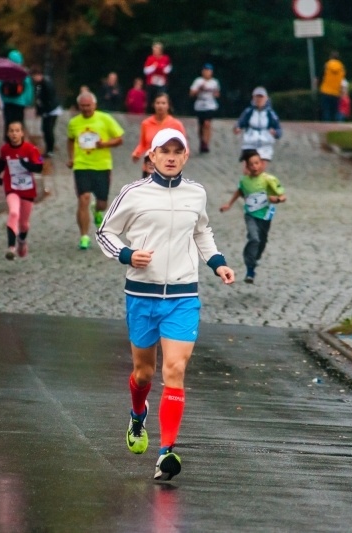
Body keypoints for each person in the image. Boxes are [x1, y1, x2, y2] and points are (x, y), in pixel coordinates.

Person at [95, 128, 235, 482]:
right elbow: (105, 233)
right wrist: (127, 254)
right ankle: (137, 414)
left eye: (177, 151)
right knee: (144, 373)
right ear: (152, 156)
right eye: (164, 151)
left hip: (183, 296)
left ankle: (166, 452)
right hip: (142, 295)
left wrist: (217, 262)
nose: (171, 157)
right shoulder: (133, 193)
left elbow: (201, 231)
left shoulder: (196, 193)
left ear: (186, 156)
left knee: (175, 369)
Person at [66, 91, 124, 250]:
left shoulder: (105, 119)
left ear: (95, 105)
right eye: (82, 106)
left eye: (88, 106)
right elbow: (70, 140)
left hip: (102, 166)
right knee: (83, 198)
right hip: (82, 165)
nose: (86, 109)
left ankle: (97, 209)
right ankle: (84, 236)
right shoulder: (73, 123)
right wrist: (71, 158)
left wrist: (104, 144)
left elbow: (119, 139)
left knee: (102, 203)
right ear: (79, 106)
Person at [219, 149, 286, 283]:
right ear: (247, 166)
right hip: (250, 215)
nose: (255, 167)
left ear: (261, 163)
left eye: (257, 163)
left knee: (261, 242)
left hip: (265, 216)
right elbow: (239, 191)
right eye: (251, 164)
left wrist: (277, 199)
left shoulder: (269, 180)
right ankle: (250, 268)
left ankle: (254, 258)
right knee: (254, 238)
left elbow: (283, 196)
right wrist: (229, 204)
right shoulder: (245, 181)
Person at [0, 120, 44, 260]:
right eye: (11, 131)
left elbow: (39, 167)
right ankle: (11, 248)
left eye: (17, 131)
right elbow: (2, 163)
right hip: (12, 187)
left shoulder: (30, 149)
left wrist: (26, 164)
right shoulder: (5, 149)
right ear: (8, 134)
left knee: (24, 225)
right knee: (14, 212)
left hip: (27, 189)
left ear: (22, 133)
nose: (14, 134)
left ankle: (21, 241)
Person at [131, 93, 186, 178]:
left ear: (168, 105)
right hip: (150, 165)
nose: (160, 106)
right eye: (158, 103)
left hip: (168, 165)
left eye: (163, 103)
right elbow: (143, 143)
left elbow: (184, 147)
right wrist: (136, 153)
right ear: (153, 105)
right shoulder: (146, 123)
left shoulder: (176, 124)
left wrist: (181, 160)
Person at [233, 87, 282, 162]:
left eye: (261, 97)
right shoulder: (248, 111)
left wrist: (276, 133)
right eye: (257, 97)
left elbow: (278, 128)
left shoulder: (271, 113)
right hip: (250, 142)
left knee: (261, 165)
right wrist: (237, 128)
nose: (259, 99)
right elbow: (240, 123)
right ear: (253, 98)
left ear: (266, 98)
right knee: (249, 165)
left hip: (265, 143)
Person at [0, 50, 33, 141]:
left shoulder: (5, 71)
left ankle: (8, 140)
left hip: (6, 101)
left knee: (8, 121)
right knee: (18, 122)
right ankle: (18, 140)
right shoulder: (23, 72)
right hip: (20, 102)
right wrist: (28, 101)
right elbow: (28, 87)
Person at [189, 63, 220, 153]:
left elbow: (217, 94)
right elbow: (191, 93)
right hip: (200, 105)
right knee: (201, 125)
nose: (207, 72)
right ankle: (202, 141)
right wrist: (199, 89)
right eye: (205, 70)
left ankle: (206, 143)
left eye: (209, 71)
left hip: (210, 105)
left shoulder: (214, 82)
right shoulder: (198, 81)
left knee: (207, 123)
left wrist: (215, 93)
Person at [32, 67, 60, 157]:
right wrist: (38, 110)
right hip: (46, 111)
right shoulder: (38, 85)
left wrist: (44, 110)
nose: (34, 78)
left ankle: (50, 150)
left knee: (48, 130)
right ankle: (48, 148)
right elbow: (38, 98)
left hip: (51, 110)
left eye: (36, 76)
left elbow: (49, 99)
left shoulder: (47, 84)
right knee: (44, 129)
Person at [143, 42, 172, 114]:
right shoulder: (150, 58)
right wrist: (154, 67)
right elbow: (146, 71)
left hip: (161, 83)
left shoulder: (165, 58)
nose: (154, 51)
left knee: (161, 97)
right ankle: (148, 114)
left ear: (160, 50)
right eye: (153, 49)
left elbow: (168, 70)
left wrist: (160, 68)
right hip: (151, 83)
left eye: (156, 49)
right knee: (150, 99)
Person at [319, 51, 346, 122]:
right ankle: (337, 125)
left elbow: (322, 76)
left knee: (326, 111)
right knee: (336, 110)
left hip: (325, 91)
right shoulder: (342, 67)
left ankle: (327, 125)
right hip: (336, 92)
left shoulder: (327, 65)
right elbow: (342, 79)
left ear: (330, 57)